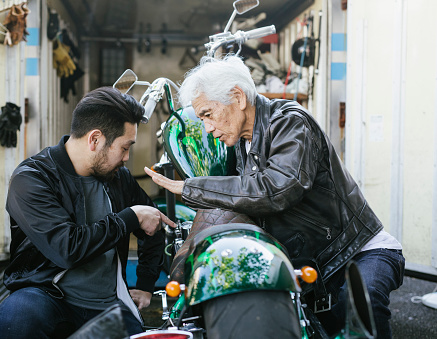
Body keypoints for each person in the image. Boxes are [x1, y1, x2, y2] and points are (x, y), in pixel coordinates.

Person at [144, 55, 405, 339]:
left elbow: (277, 189)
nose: (207, 127)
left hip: (358, 252)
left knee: (358, 312)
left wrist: (192, 188)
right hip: (314, 265)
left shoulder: (290, 123)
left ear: (238, 97)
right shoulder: (242, 144)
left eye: (208, 114)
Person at [0, 87, 176, 338]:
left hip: (106, 305)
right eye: (124, 147)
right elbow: (66, 248)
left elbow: (154, 224)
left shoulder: (118, 179)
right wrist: (129, 218)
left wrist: (145, 285)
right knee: (19, 316)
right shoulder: (33, 178)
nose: (126, 158)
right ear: (95, 139)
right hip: (46, 297)